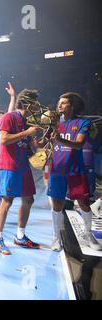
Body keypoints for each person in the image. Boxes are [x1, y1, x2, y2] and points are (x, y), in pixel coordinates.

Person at [48, 92, 102, 251]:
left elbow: (79, 144)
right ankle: (56, 237)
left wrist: (60, 139)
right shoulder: (54, 122)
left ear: (72, 106)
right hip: (57, 169)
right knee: (57, 204)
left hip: (75, 170)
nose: (59, 105)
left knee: (84, 203)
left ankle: (88, 234)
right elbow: (46, 141)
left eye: (63, 103)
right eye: (59, 102)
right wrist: (38, 142)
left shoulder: (83, 122)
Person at [0, 89, 44, 255]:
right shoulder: (8, 117)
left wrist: (46, 139)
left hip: (23, 165)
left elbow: (32, 146)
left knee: (28, 200)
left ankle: (20, 236)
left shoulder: (27, 122)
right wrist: (27, 133)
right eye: (36, 102)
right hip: (8, 165)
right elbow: (4, 139)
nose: (38, 106)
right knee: (6, 201)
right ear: (27, 103)